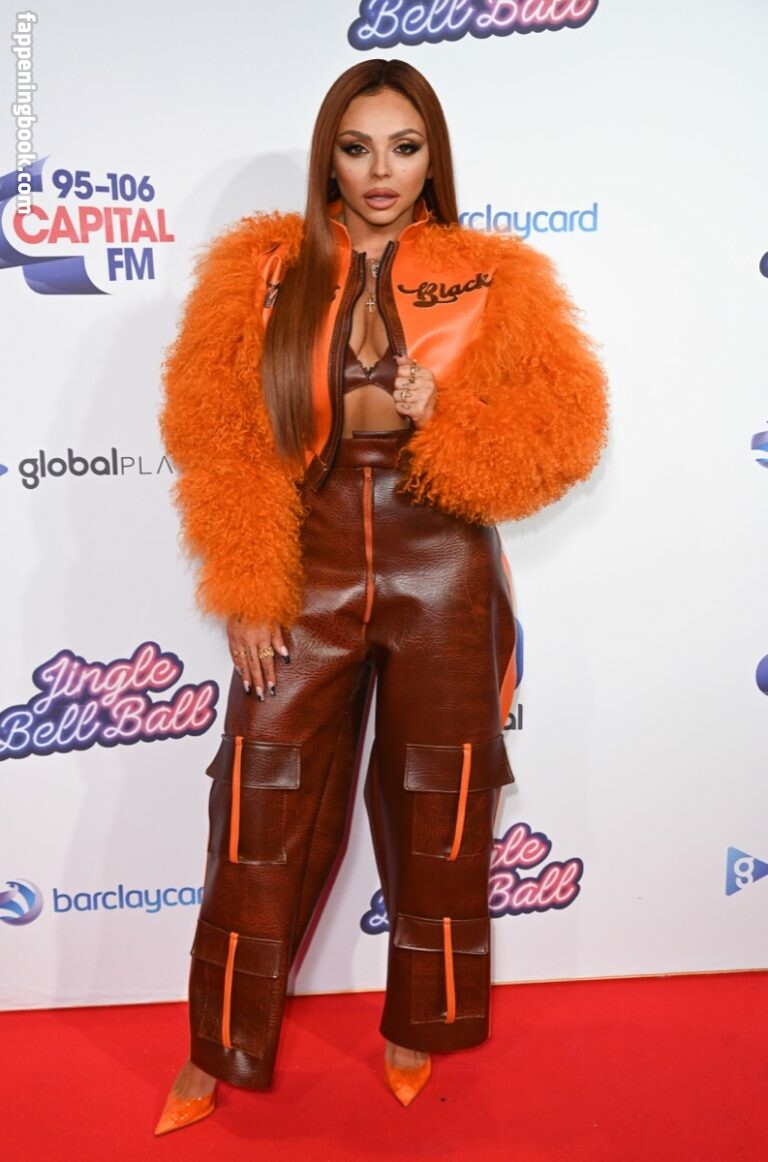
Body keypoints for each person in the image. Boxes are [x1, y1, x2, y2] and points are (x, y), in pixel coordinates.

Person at [155, 57, 608, 1134]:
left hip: (440, 556)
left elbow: (566, 430)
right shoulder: (264, 269)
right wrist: (247, 579)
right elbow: (219, 433)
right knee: (258, 804)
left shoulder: (492, 275)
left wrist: (446, 414)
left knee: (439, 803)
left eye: (404, 148)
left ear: (432, 157)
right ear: (331, 156)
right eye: (358, 148)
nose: (380, 171)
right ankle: (218, 1045)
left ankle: (421, 1023)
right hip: (303, 552)